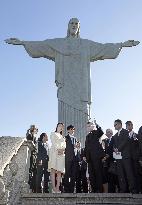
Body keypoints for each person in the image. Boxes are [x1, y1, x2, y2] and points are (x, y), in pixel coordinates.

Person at [5, 18, 140, 145]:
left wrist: (121, 45)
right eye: (72, 23)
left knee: (84, 118)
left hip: (81, 88)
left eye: (76, 23)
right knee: (64, 118)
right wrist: (23, 43)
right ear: (68, 27)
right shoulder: (59, 44)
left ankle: (81, 151)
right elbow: (43, 46)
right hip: (66, 88)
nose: (74, 25)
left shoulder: (86, 45)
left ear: (79, 27)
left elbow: (103, 48)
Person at [113, 119, 136, 193]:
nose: (114, 126)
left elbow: (125, 141)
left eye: (115, 125)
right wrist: (115, 149)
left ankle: (133, 189)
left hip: (126, 156)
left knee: (129, 173)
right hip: (119, 158)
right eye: (114, 125)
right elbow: (114, 145)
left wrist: (118, 149)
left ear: (120, 124)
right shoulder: (115, 135)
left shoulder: (126, 132)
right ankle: (123, 190)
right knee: (121, 174)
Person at [85, 121, 105, 193]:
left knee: (98, 173)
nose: (88, 127)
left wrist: (96, 124)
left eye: (89, 126)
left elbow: (101, 131)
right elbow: (86, 147)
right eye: (87, 126)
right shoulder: (87, 136)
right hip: (89, 159)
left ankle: (99, 189)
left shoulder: (97, 132)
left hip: (97, 157)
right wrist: (85, 156)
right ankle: (93, 189)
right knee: (91, 174)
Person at [48, 123, 66, 193]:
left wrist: (63, 150)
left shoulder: (63, 137)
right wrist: (58, 149)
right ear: (57, 127)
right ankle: (54, 188)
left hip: (61, 154)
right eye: (60, 126)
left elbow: (65, 145)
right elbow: (53, 142)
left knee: (59, 171)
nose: (61, 127)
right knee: (53, 170)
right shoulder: (53, 133)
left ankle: (58, 188)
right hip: (54, 153)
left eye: (62, 127)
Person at [125, 121, 141, 193]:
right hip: (127, 159)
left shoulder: (137, 135)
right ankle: (131, 189)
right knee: (129, 174)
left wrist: (139, 157)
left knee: (136, 173)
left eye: (129, 125)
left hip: (135, 158)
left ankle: (138, 189)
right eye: (127, 125)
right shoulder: (125, 136)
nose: (128, 127)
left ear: (132, 126)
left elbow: (139, 146)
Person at [64, 125, 77, 193]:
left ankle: (71, 189)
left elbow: (76, 149)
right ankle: (66, 189)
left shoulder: (75, 138)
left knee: (73, 174)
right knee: (67, 174)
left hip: (74, 159)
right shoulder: (65, 138)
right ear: (68, 130)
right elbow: (64, 148)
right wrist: (73, 146)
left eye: (74, 129)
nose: (73, 130)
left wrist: (78, 147)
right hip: (67, 158)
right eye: (71, 129)